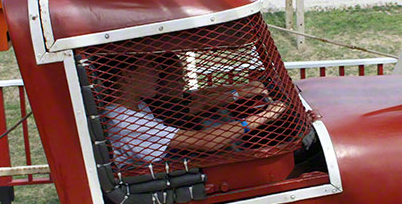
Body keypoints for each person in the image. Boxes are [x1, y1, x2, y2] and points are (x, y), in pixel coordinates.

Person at [103, 55, 287, 168]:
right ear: (127, 75)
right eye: (150, 67)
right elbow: (207, 141)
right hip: (164, 177)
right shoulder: (126, 120)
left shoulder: (137, 106)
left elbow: (193, 97)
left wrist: (240, 89)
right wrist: (264, 116)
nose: (157, 73)